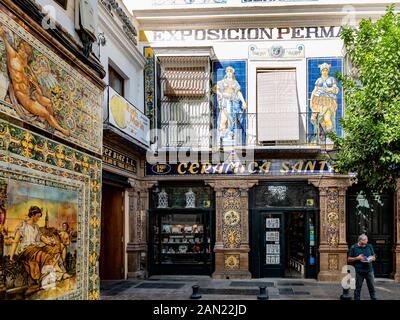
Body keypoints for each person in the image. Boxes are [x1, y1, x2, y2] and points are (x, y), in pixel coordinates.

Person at [0, 25, 70, 136]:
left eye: (23, 51)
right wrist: (3, 34)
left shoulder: (27, 67)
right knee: (46, 113)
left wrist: (35, 84)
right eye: (21, 48)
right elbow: (5, 41)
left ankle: (50, 124)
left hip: (31, 94)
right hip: (23, 96)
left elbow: (38, 88)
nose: (20, 51)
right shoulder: (13, 58)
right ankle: (60, 129)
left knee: (49, 103)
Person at [216, 66, 247, 141]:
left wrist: (243, 102)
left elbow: (238, 92)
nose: (229, 73)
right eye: (228, 71)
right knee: (223, 118)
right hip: (224, 102)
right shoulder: (222, 82)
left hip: (232, 103)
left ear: (233, 73)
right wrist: (221, 95)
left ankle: (230, 133)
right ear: (226, 73)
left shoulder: (235, 83)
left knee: (231, 119)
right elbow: (216, 90)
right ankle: (222, 133)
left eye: (231, 72)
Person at [310, 63, 339, 140]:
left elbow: (336, 90)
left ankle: (331, 137)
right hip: (318, 101)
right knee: (316, 119)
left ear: (328, 71)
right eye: (323, 70)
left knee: (327, 119)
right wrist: (311, 101)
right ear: (321, 71)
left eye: (326, 70)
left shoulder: (332, 79)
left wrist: (329, 89)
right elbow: (314, 90)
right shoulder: (318, 80)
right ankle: (321, 137)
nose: (325, 72)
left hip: (328, 101)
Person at [348, 234, 377, 300]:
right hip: (359, 271)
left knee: (371, 287)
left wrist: (372, 258)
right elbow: (349, 259)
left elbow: (374, 256)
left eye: (366, 241)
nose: (366, 243)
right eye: (365, 241)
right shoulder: (353, 247)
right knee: (358, 288)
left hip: (369, 270)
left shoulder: (369, 246)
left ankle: (373, 298)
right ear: (360, 240)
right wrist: (357, 258)